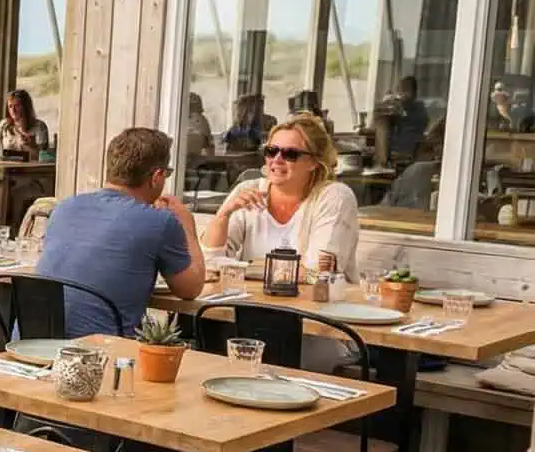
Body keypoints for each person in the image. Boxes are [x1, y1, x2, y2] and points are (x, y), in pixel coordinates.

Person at [37, 127, 207, 337]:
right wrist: (187, 224)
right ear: (157, 177)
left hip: (31, 346)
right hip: (99, 355)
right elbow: (190, 289)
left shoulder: (64, 207)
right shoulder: (160, 221)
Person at [202, 113, 361, 280]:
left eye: (290, 154)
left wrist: (243, 268)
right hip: (250, 302)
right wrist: (223, 214)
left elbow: (318, 272)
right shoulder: (249, 190)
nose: (277, 159)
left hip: (312, 304)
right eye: (271, 151)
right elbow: (210, 263)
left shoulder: (334, 197)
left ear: (313, 162)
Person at [0, 89, 52, 161]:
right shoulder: (4, 124)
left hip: (31, 170)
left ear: (26, 107)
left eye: (17, 105)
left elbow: (44, 156)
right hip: (7, 168)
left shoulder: (40, 126)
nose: (13, 110)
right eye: (10, 106)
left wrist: (31, 144)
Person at [384, 76, 431, 159]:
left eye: (406, 89)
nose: (402, 93)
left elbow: (422, 123)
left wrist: (402, 110)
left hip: (408, 152)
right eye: (400, 90)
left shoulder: (419, 109)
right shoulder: (398, 108)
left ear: (415, 93)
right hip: (392, 152)